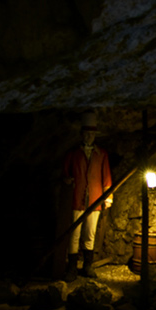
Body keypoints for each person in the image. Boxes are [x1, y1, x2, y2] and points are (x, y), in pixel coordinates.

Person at [62, 111, 113, 281]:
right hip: (77, 199)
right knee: (74, 234)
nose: (89, 137)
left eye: (92, 134)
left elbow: (106, 177)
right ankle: (71, 269)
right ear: (82, 134)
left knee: (89, 234)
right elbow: (65, 174)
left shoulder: (102, 154)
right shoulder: (73, 154)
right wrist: (67, 180)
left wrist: (108, 198)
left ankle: (87, 265)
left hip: (95, 199)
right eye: (86, 133)